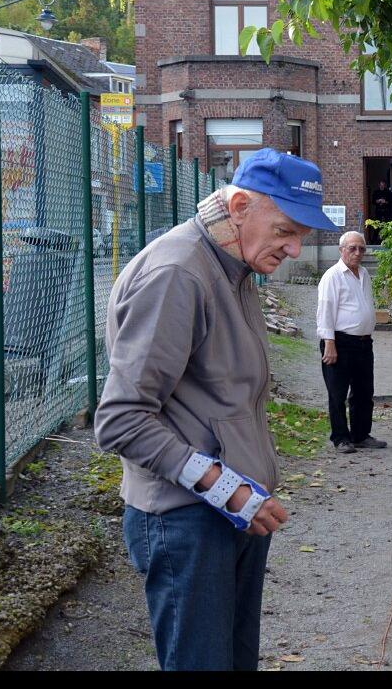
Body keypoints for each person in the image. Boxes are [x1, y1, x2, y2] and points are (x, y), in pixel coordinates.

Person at [94, 148, 339, 670]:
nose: (295, 249)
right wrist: (227, 489)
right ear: (241, 205)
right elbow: (120, 419)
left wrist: (241, 498)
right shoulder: (179, 274)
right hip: (186, 523)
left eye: (302, 235)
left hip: (232, 516)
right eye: (285, 230)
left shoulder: (232, 265)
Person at [318, 230, 388, 453]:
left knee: (364, 391)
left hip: (363, 343)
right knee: (337, 393)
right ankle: (340, 438)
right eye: (352, 248)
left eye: (361, 248)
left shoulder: (364, 273)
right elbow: (325, 310)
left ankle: (360, 434)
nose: (357, 253)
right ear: (342, 250)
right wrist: (329, 341)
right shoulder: (332, 276)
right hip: (339, 342)